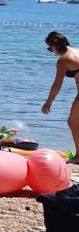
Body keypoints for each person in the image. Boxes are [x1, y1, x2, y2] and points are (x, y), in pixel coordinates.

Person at [42, 30, 79, 160]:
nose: (50, 50)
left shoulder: (63, 60)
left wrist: (48, 102)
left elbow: (57, 84)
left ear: (55, 45)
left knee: (73, 122)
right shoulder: (77, 50)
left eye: (50, 47)